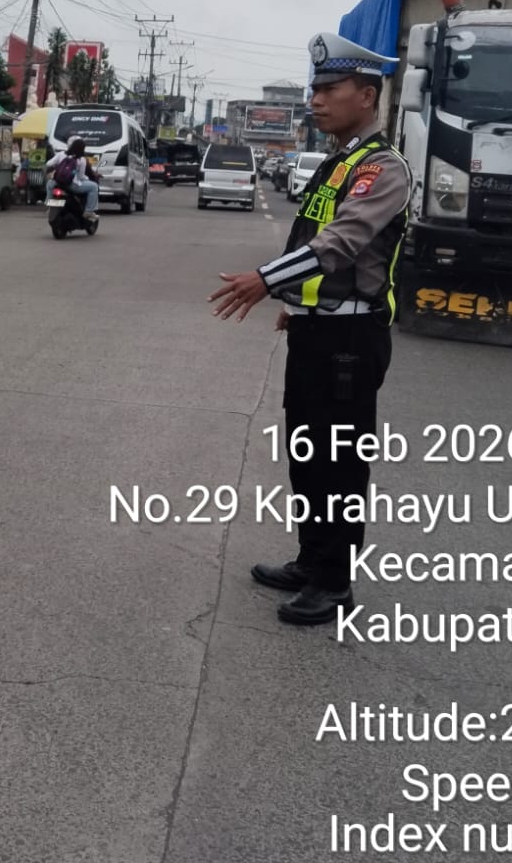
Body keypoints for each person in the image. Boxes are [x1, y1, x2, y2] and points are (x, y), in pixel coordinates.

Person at [207, 31, 411, 627]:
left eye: (329, 89)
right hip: (317, 330)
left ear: (367, 95)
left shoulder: (382, 168)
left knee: (339, 464)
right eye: (314, 89)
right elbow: (310, 239)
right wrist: (296, 302)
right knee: (307, 454)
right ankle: (311, 558)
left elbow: (341, 243)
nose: (316, 100)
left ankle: (334, 583)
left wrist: (265, 281)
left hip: (351, 340)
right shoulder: (339, 161)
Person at [48, 136, 100, 223]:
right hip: (71, 185)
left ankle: (50, 207)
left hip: (58, 182)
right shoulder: (81, 159)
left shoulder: (61, 155)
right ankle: (88, 212)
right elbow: (81, 177)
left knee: (50, 185)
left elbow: (48, 164)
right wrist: (88, 179)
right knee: (94, 186)